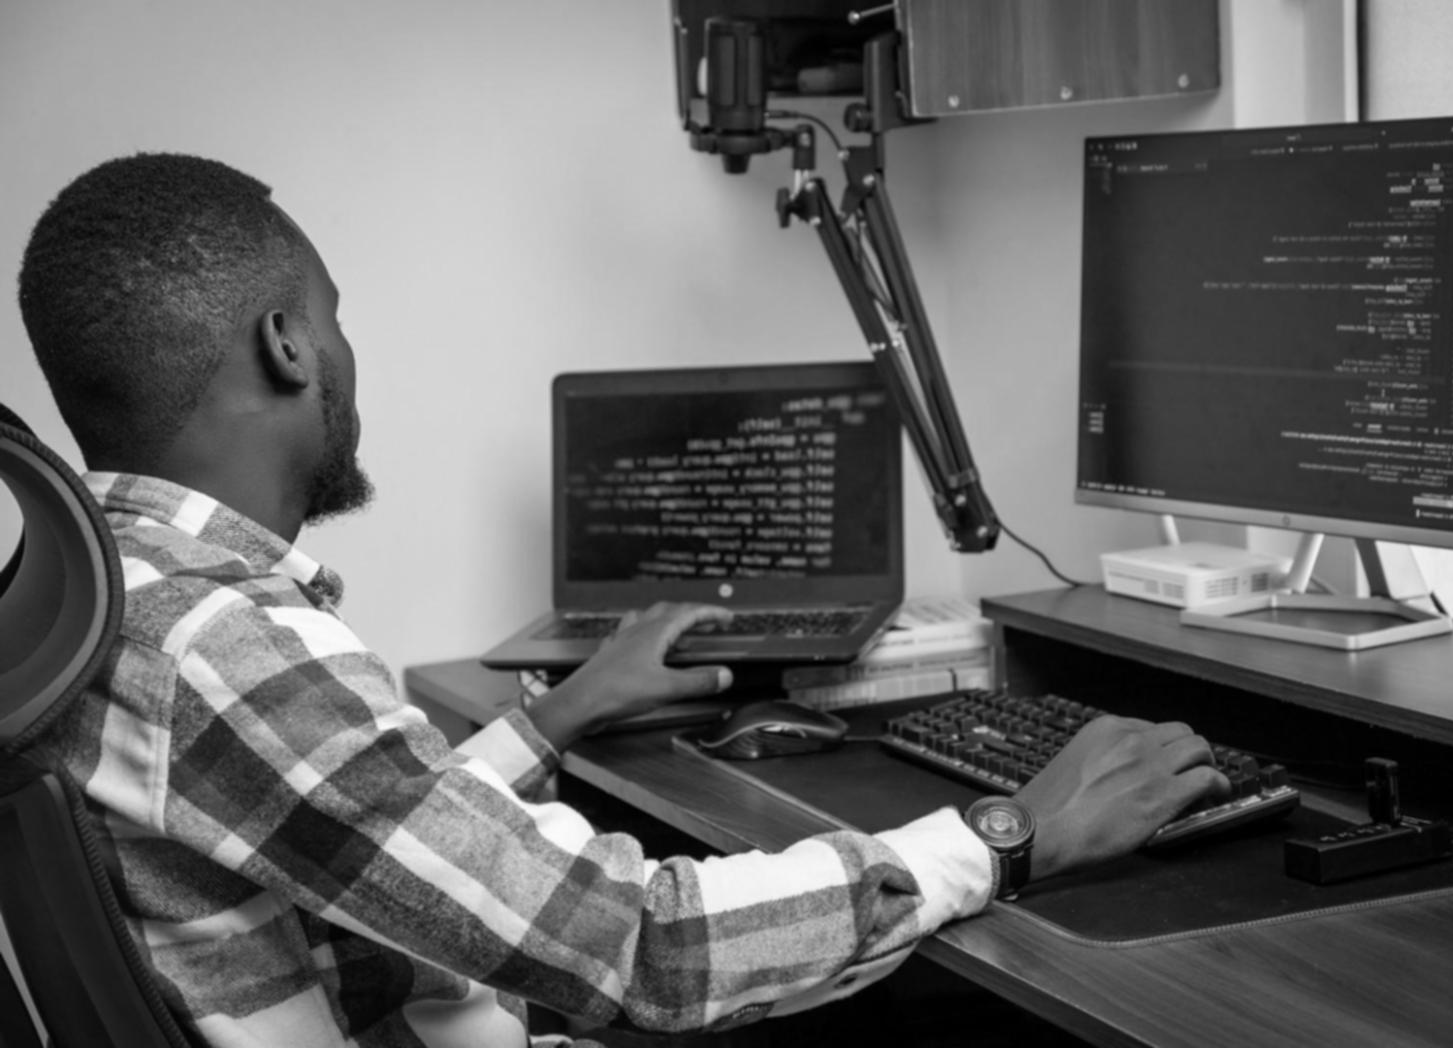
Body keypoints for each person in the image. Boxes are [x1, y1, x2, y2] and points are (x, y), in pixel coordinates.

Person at [15, 153, 1231, 1048]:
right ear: (289, 344)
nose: (344, 352)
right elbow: (644, 944)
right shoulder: (220, 644)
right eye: (336, 318)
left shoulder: (84, 596)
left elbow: (356, 830)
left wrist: (553, 720)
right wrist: (1011, 833)